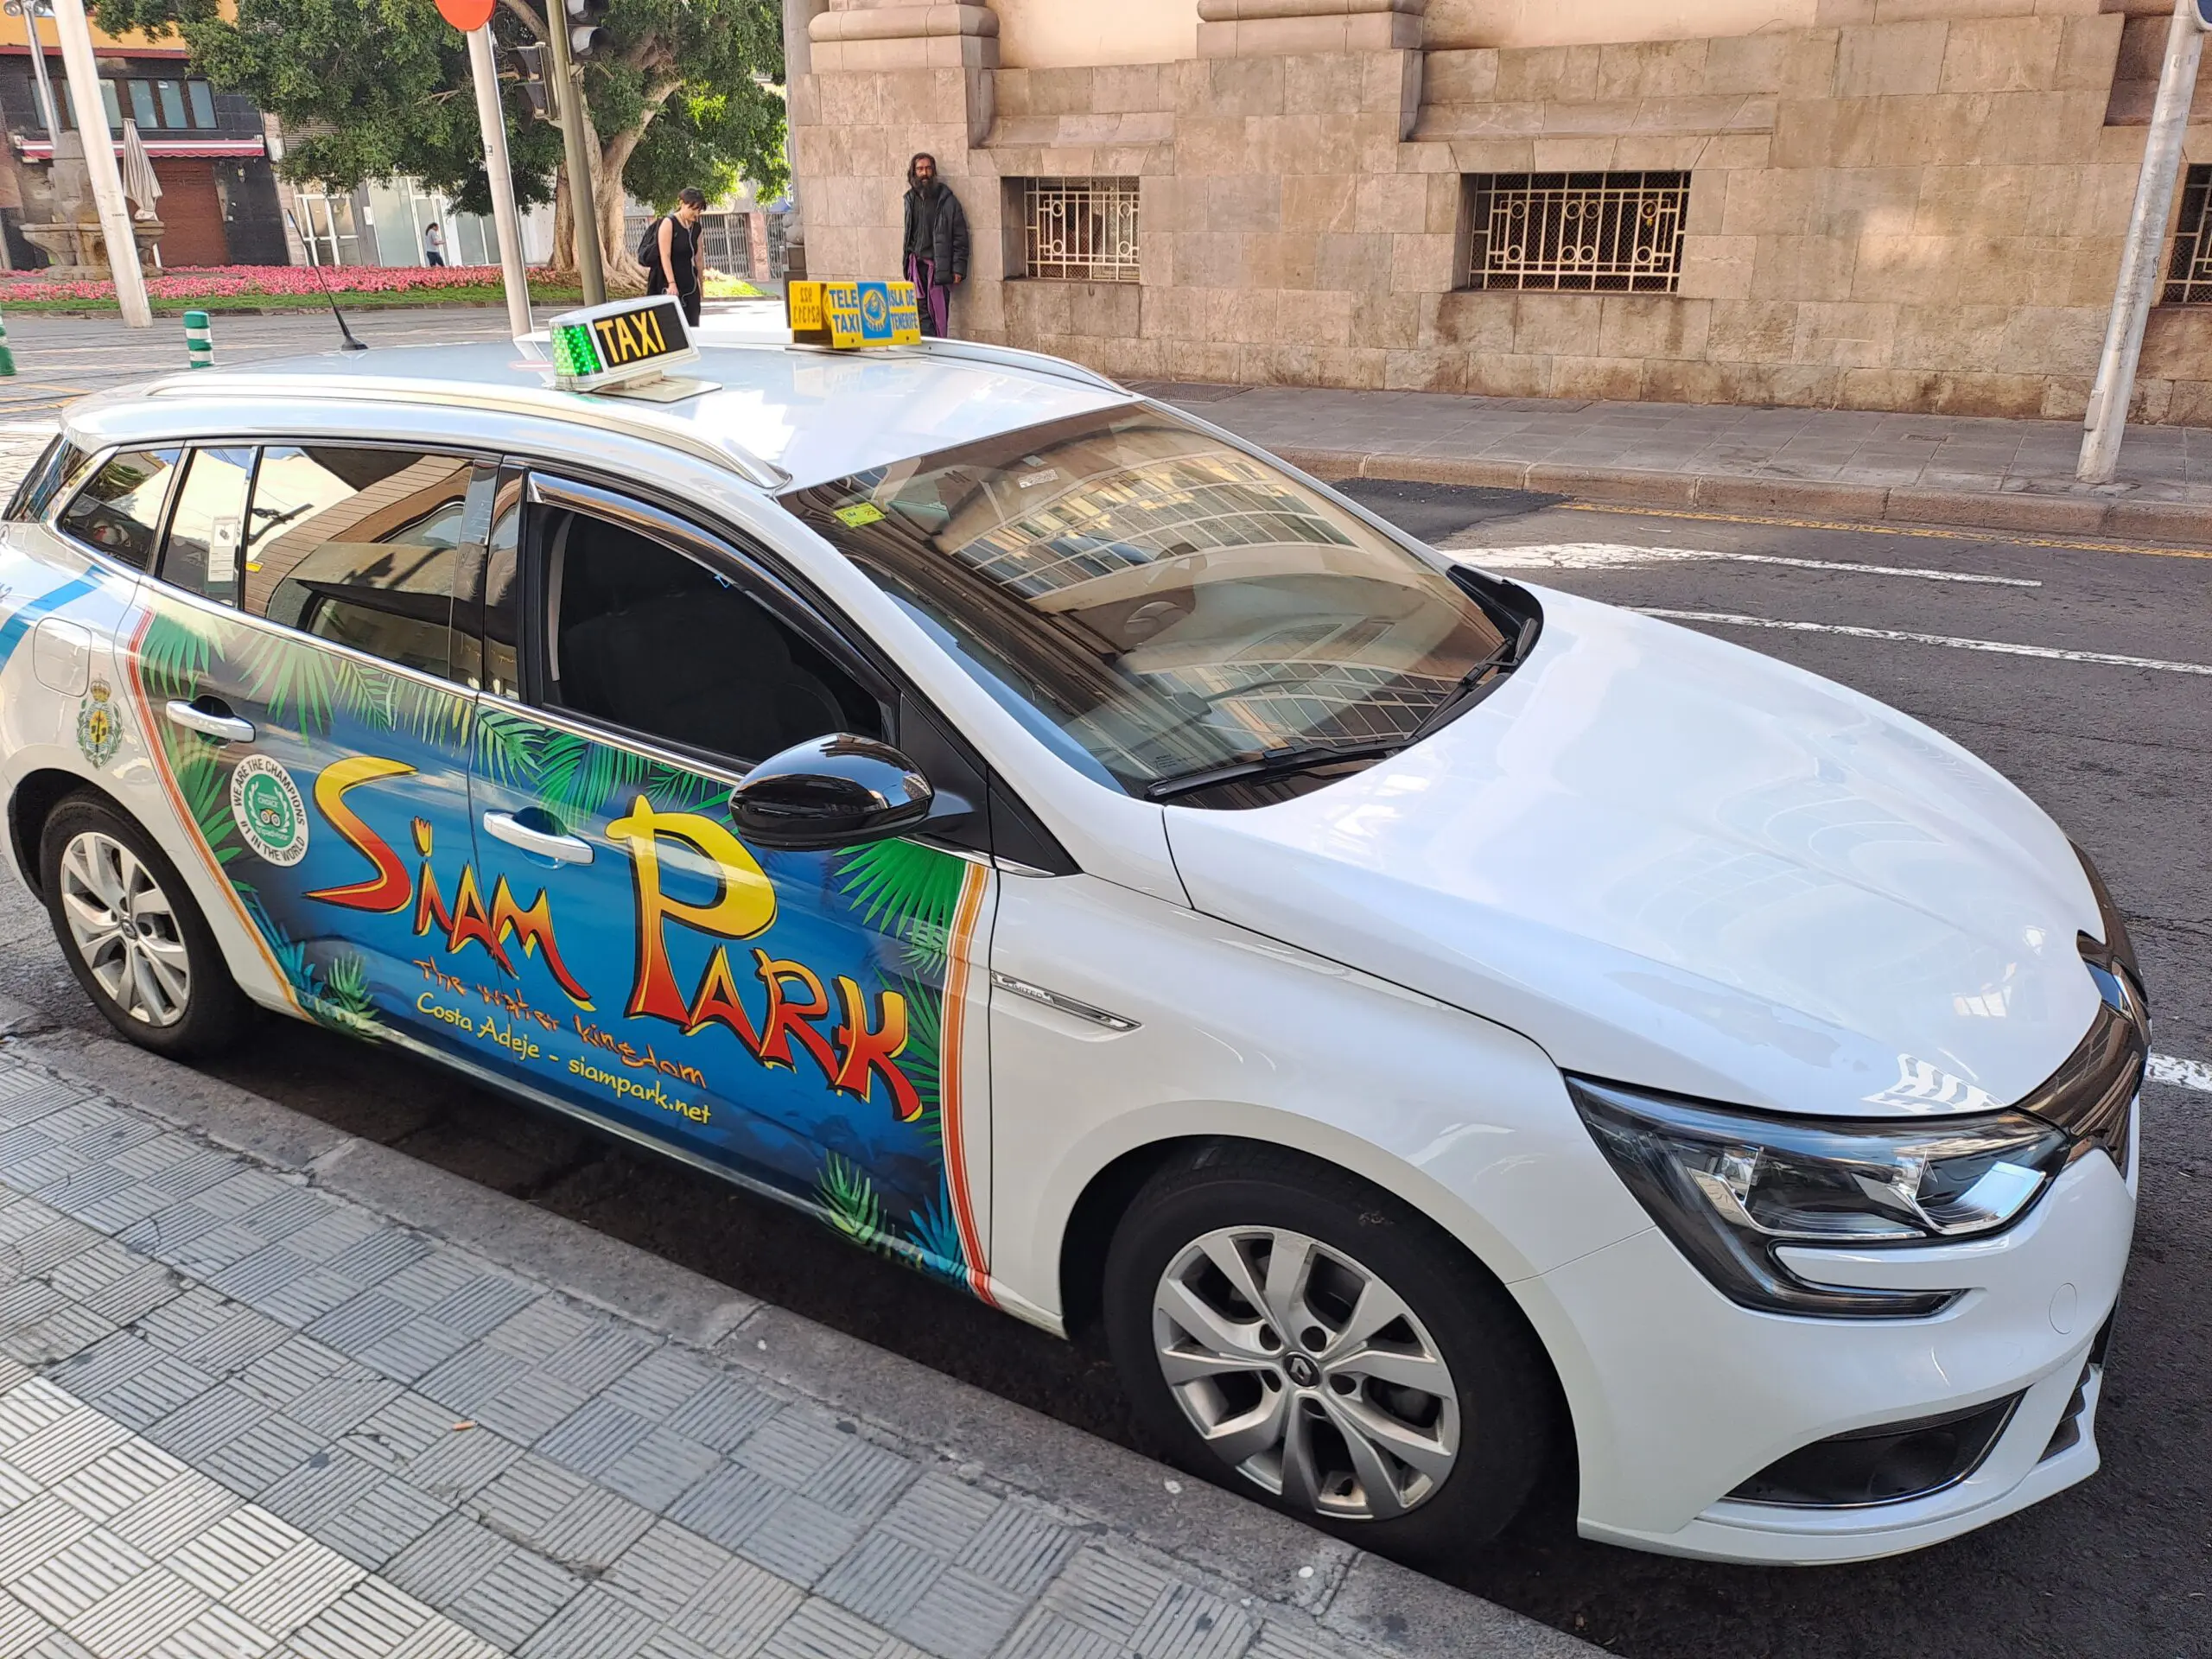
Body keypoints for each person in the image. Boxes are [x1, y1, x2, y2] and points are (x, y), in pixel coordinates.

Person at [903, 153, 969, 338]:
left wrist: (958, 269)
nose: (925, 173)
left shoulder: (947, 201)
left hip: (938, 270)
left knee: (938, 316)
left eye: (928, 168)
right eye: (920, 169)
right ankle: (927, 353)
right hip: (916, 268)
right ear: (913, 173)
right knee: (920, 313)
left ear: (934, 171)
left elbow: (960, 237)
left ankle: (935, 351)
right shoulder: (910, 199)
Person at [643, 187, 708, 326]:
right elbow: (664, 255)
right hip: (669, 281)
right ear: (682, 204)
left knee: (692, 322)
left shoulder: (696, 228)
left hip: (689, 282)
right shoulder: (669, 223)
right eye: (693, 209)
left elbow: (698, 257)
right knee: (671, 325)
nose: (696, 213)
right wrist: (671, 283)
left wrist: (700, 283)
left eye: (699, 210)